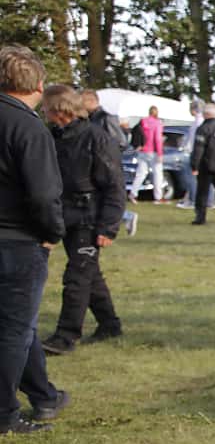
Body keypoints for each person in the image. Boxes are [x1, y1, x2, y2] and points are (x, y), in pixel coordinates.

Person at [0, 45, 69, 436]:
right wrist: (52, 232)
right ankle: (5, 413)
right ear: (39, 85)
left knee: (19, 326)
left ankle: (44, 394)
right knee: (13, 330)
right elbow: (43, 194)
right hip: (18, 240)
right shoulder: (27, 127)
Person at [39, 84, 124, 353]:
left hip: (90, 219)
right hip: (66, 216)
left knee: (77, 276)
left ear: (59, 109)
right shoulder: (53, 138)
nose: (42, 111)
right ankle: (109, 325)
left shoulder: (96, 138)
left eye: (46, 107)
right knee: (90, 274)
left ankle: (66, 336)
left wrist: (108, 227)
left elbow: (114, 185)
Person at [132, 104, 167, 200]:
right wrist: (160, 153)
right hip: (153, 152)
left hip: (142, 150)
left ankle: (133, 193)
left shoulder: (142, 121)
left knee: (141, 173)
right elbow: (157, 139)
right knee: (157, 174)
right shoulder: (157, 123)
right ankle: (158, 196)